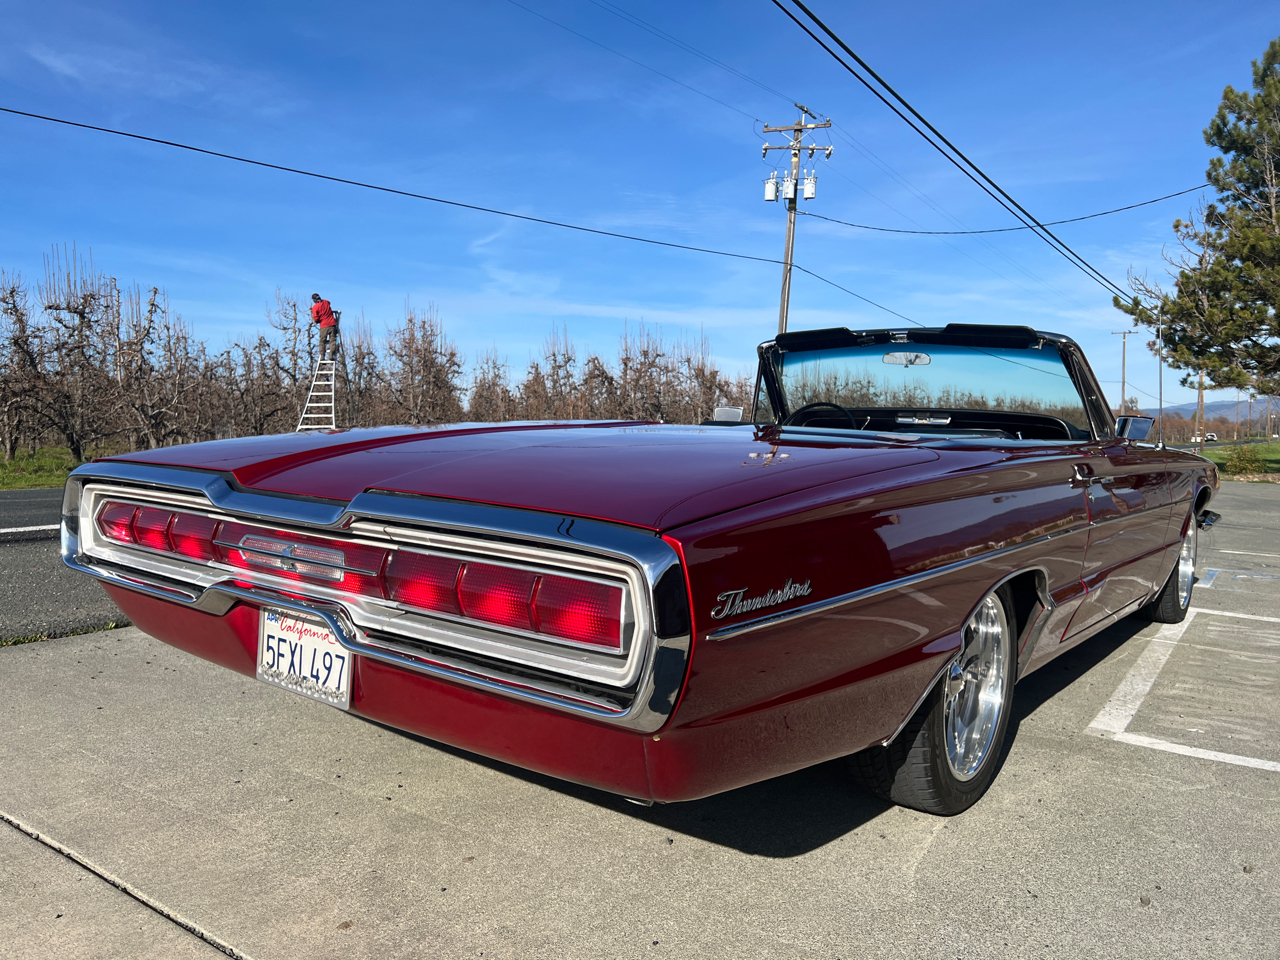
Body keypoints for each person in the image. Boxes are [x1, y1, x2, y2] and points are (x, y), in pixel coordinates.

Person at [311, 293, 340, 361]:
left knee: (322, 341)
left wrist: (318, 320)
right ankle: (331, 355)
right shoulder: (326, 302)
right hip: (332, 324)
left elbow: (316, 318)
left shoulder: (315, 307)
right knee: (332, 340)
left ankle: (322, 357)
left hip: (324, 326)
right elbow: (329, 302)